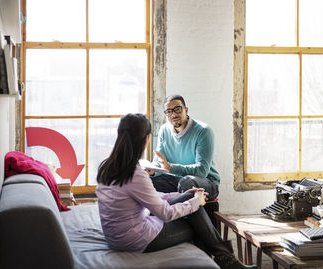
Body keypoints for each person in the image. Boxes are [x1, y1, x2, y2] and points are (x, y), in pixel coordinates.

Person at [96, 113, 255, 269]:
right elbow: (165, 213)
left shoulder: (107, 165)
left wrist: (183, 195)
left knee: (190, 200)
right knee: (197, 223)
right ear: (145, 139)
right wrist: (195, 203)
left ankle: (225, 259)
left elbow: (152, 197)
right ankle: (225, 260)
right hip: (136, 240)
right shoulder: (135, 173)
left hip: (117, 237)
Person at [147, 94, 220, 201]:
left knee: (186, 182)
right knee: (146, 181)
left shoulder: (203, 131)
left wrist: (171, 168)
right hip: (175, 180)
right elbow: (159, 164)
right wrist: (152, 171)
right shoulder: (164, 130)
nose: (173, 115)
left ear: (186, 110)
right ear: (165, 114)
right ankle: (164, 215)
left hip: (206, 182)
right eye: (169, 111)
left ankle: (176, 215)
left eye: (177, 109)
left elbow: (202, 171)